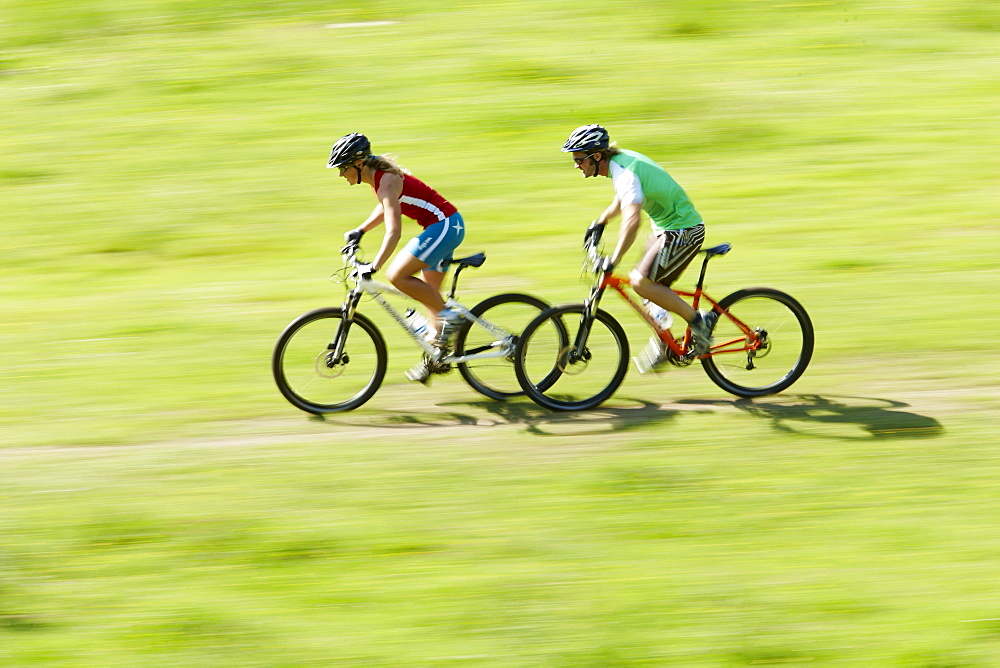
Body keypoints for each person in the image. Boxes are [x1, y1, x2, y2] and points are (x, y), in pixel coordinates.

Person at [561, 124, 716, 370]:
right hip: (667, 229)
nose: (576, 165)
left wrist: (614, 259)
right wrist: (600, 223)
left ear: (596, 156)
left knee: (640, 282)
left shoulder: (624, 173)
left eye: (580, 159)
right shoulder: (619, 164)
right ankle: (667, 344)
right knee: (650, 293)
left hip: (683, 231)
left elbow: (632, 220)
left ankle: (700, 322)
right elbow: (623, 198)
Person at [327, 132, 466, 383]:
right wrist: (361, 230)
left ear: (358, 164)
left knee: (397, 275)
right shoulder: (377, 178)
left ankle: (451, 319)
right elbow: (386, 206)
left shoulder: (386, 180)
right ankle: (438, 357)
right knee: (430, 298)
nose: (340, 174)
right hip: (444, 226)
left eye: (342, 168)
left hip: (443, 226)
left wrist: (375, 265)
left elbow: (394, 231)